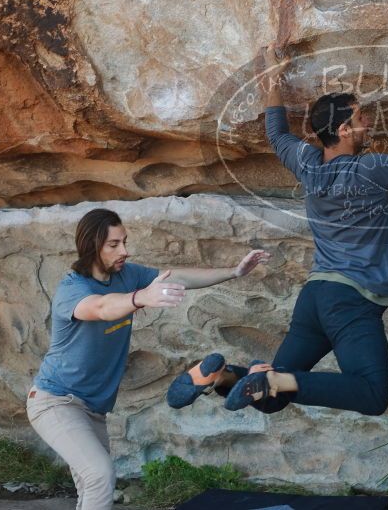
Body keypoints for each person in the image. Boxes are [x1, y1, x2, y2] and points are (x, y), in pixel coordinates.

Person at [216, 45, 388, 415]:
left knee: (270, 400)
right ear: (342, 130)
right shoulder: (368, 169)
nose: (368, 123)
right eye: (360, 118)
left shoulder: (307, 163)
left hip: (316, 296)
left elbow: (276, 134)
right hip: (350, 300)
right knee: (372, 395)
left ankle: (220, 378)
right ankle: (271, 378)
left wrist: (272, 81)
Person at [26, 208, 270, 510]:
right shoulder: (73, 289)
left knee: (94, 484)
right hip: (55, 402)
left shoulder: (126, 275)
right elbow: (100, 308)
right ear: (91, 245)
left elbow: (177, 277)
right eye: (114, 244)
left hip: (92, 408)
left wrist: (234, 271)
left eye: (124, 241)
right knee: (100, 475)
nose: (124, 251)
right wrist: (139, 298)